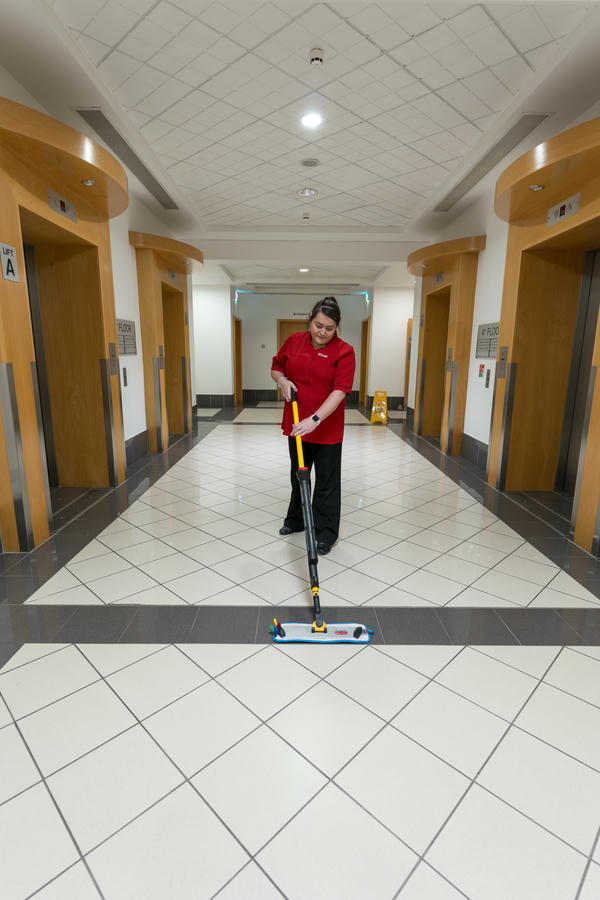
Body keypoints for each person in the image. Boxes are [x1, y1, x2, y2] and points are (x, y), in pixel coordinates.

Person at [271, 296, 356, 555]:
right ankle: (296, 520)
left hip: (326, 429)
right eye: (318, 325)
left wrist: (315, 420)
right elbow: (276, 367)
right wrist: (282, 381)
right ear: (310, 321)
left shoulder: (345, 351)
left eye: (329, 329)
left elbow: (340, 391)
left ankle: (326, 532)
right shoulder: (294, 341)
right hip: (297, 424)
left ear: (337, 328)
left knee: (327, 481)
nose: (322, 333)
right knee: (299, 475)